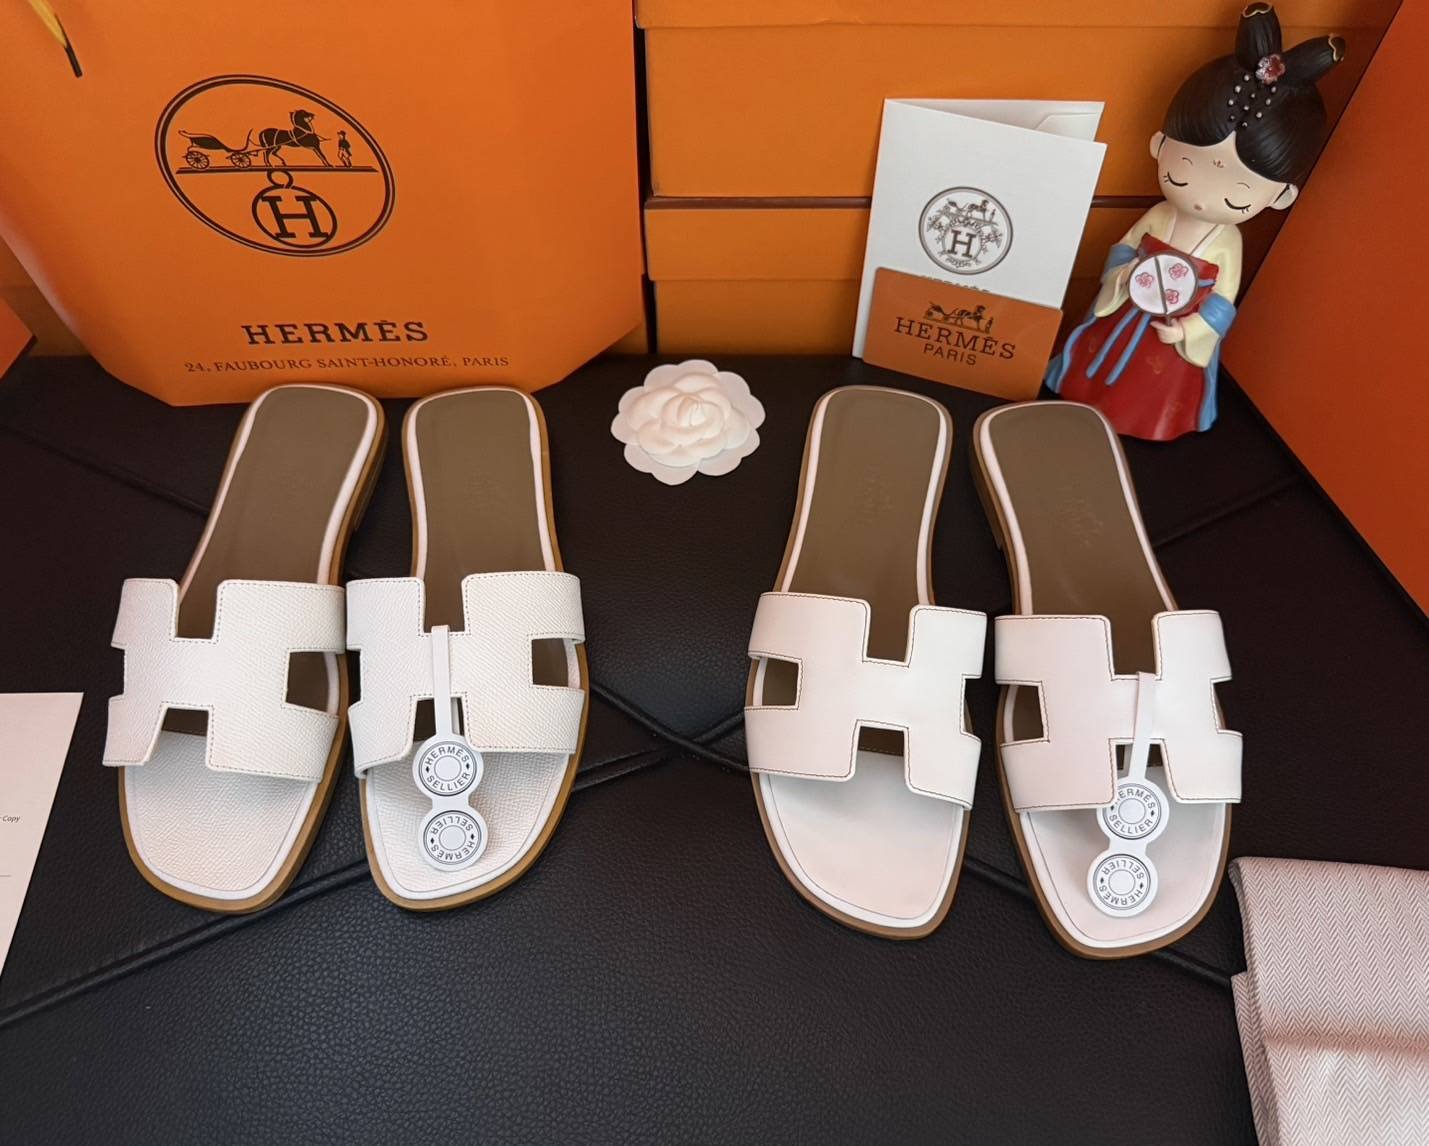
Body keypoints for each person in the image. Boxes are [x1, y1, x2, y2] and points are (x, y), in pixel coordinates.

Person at [1047, 3, 1343, 440]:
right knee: (1091, 363)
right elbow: (1123, 249)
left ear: (1280, 196)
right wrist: (1124, 273)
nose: (1202, 197)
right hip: (1127, 304)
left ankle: (1144, 423)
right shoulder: (1159, 215)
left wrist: (1190, 329)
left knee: (1154, 390)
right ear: (1159, 144)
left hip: (1173, 329)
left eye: (1237, 192)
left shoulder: (1227, 241)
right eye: (1185, 169)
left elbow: (1223, 300)